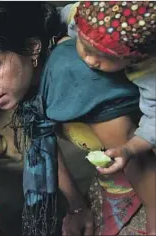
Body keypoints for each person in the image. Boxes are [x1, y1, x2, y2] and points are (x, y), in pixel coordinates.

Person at [0, 2, 155, 235]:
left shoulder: (72, 75)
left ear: (32, 47)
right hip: (120, 168)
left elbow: (135, 153)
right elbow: (42, 136)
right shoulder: (26, 78)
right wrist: (77, 208)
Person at [58, 1, 156, 234]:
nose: (90, 60)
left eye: (105, 57)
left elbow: (153, 120)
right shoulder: (78, 15)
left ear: (133, 58)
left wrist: (130, 149)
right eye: (86, 46)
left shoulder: (148, 71)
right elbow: (61, 15)